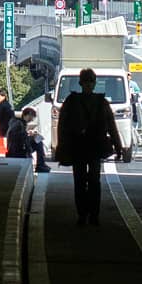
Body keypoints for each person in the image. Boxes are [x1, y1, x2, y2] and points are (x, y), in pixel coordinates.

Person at [56, 68, 123, 226]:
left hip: (78, 145)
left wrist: (61, 146)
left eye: (89, 82)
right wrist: (118, 147)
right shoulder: (101, 102)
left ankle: (82, 215)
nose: (88, 85)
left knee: (79, 181)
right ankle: (93, 215)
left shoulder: (71, 101)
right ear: (93, 83)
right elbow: (111, 126)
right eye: (89, 82)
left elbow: (62, 126)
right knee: (94, 181)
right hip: (95, 145)